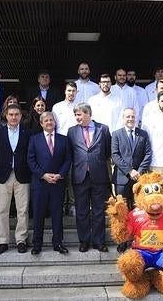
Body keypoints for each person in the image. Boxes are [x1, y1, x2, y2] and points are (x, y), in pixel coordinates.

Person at [67, 103, 112, 253]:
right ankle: (84, 240)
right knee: (82, 211)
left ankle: (99, 241)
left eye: (79, 115)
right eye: (76, 115)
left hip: (98, 176)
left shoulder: (103, 129)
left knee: (99, 210)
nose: (77, 118)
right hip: (80, 176)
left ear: (88, 114)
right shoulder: (72, 131)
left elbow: (106, 152)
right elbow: (71, 153)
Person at [27, 112, 72, 255]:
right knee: (38, 215)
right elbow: (31, 160)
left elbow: (68, 159)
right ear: (41, 123)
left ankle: (58, 243)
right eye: (46, 120)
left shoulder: (64, 140)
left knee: (57, 214)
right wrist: (43, 175)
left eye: (51, 120)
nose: (49, 122)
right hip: (40, 183)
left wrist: (60, 175)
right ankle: (37, 244)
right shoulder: (34, 139)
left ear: (55, 122)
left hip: (57, 183)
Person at [111, 107, 152, 252]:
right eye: (127, 117)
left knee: (139, 211)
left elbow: (148, 154)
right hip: (122, 178)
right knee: (122, 211)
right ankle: (122, 240)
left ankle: (138, 238)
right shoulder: (116, 134)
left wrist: (139, 172)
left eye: (132, 117)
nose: (130, 119)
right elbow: (115, 155)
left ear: (136, 118)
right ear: (123, 118)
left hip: (139, 181)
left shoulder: (143, 134)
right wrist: (130, 171)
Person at [0, 104, 32, 254]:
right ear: (6, 116)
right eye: (11, 114)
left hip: (22, 175)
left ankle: (21, 240)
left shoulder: (28, 133)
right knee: (2, 210)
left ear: (21, 116)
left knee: (22, 210)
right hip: (3, 176)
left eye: (17, 114)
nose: (14, 117)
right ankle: (3, 241)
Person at [51, 81, 78, 216]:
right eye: (69, 90)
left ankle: (72, 204)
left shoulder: (80, 107)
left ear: (76, 92)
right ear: (65, 92)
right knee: (61, 174)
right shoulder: (57, 107)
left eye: (73, 91)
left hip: (75, 144)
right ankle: (60, 204)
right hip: (60, 144)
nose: (71, 93)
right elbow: (53, 126)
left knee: (72, 176)